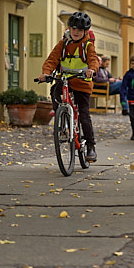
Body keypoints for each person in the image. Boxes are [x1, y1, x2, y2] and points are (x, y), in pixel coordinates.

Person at [38, 11, 100, 161]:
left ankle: (91, 147)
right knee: (54, 91)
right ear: (69, 29)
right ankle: (61, 119)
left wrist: (92, 70)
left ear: (85, 31)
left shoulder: (87, 45)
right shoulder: (64, 43)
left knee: (84, 115)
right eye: (73, 29)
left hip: (82, 83)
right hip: (65, 80)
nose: (76, 32)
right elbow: (52, 59)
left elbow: (93, 60)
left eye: (79, 30)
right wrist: (46, 73)